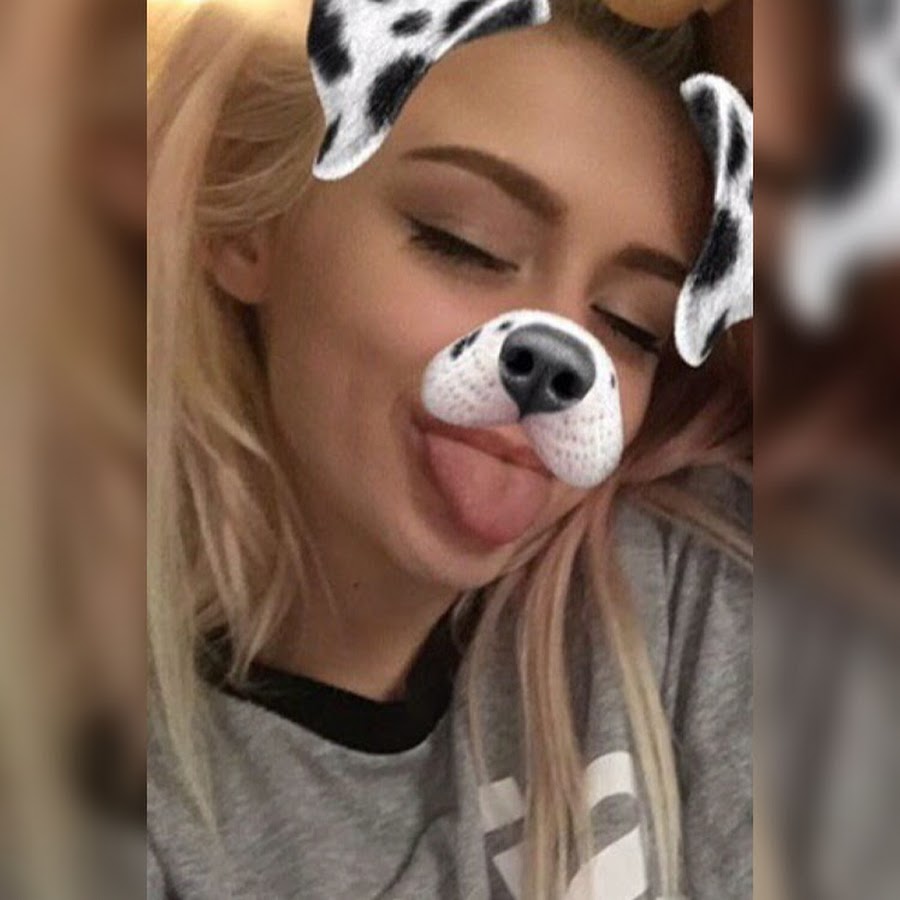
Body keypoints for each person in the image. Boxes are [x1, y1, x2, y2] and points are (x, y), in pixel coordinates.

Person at [147, 1, 751, 898]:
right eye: (464, 242)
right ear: (247, 216)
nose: (560, 356)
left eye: (633, 326)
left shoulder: (682, 587)